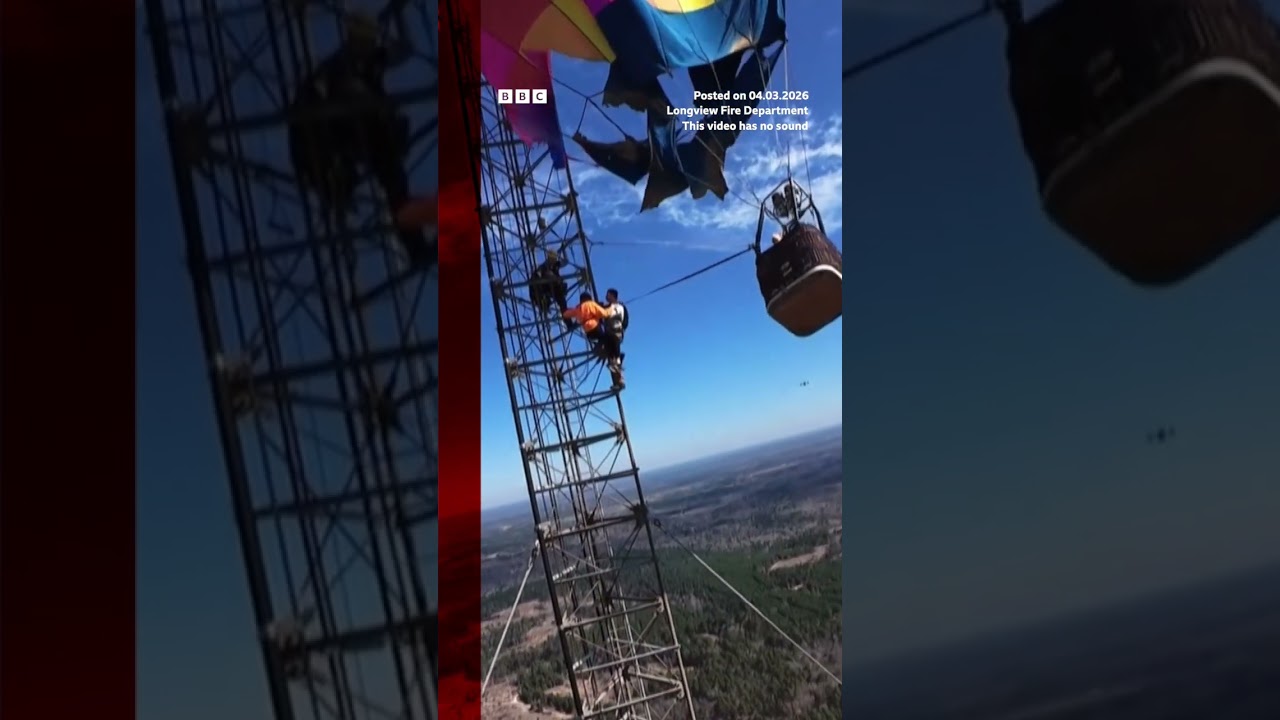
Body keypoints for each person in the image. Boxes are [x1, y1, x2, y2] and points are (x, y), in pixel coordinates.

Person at [563, 292, 625, 389]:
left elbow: (566, 314)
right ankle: (616, 360)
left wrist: (571, 310)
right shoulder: (591, 304)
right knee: (612, 340)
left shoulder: (578, 308)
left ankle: (613, 358)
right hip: (596, 328)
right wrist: (612, 308)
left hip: (589, 333)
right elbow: (605, 314)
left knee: (606, 342)